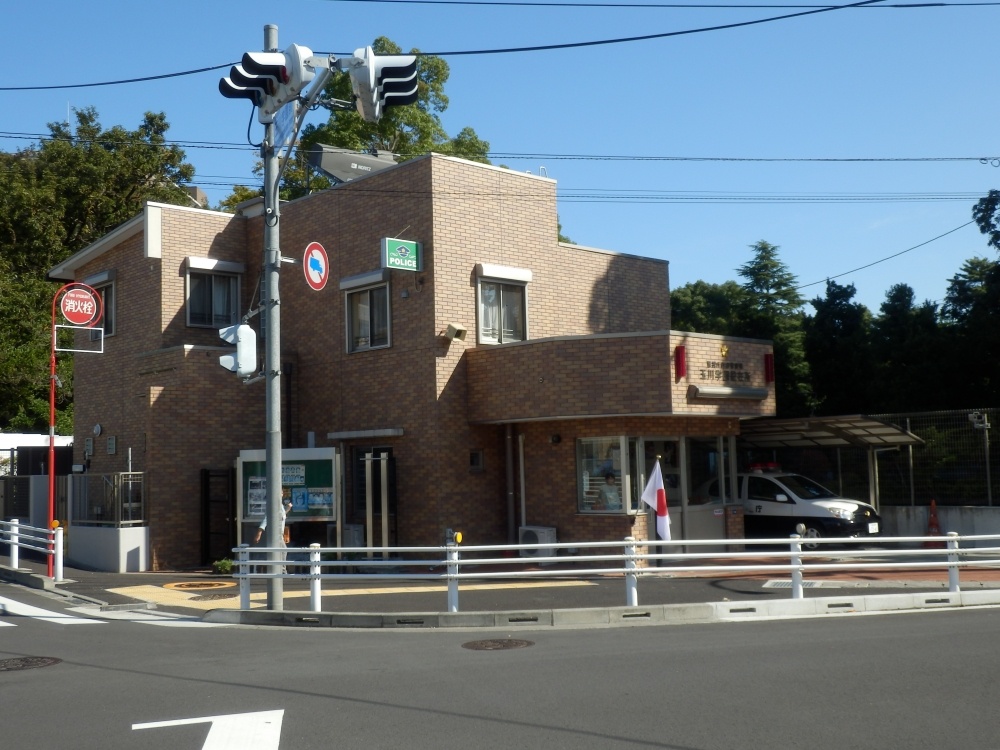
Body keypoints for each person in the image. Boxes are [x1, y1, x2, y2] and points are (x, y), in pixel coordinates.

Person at [254, 499, 292, 573]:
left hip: (279, 533)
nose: (282, 494)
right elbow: (267, 518)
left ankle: (278, 569)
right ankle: (282, 570)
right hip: (276, 533)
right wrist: (259, 533)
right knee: (283, 550)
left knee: (280, 551)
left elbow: (281, 517)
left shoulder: (280, 506)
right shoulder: (275, 506)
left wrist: (288, 509)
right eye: (281, 492)